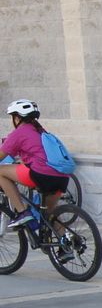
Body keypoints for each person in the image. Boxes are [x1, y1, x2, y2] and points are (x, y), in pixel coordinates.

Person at [1, 99, 70, 230]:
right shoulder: (40, 130)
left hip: (41, 175)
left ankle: (22, 212)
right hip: (62, 177)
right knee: (49, 215)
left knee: (0, 171)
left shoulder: (19, 133)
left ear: (17, 118)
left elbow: (2, 155)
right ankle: (66, 244)